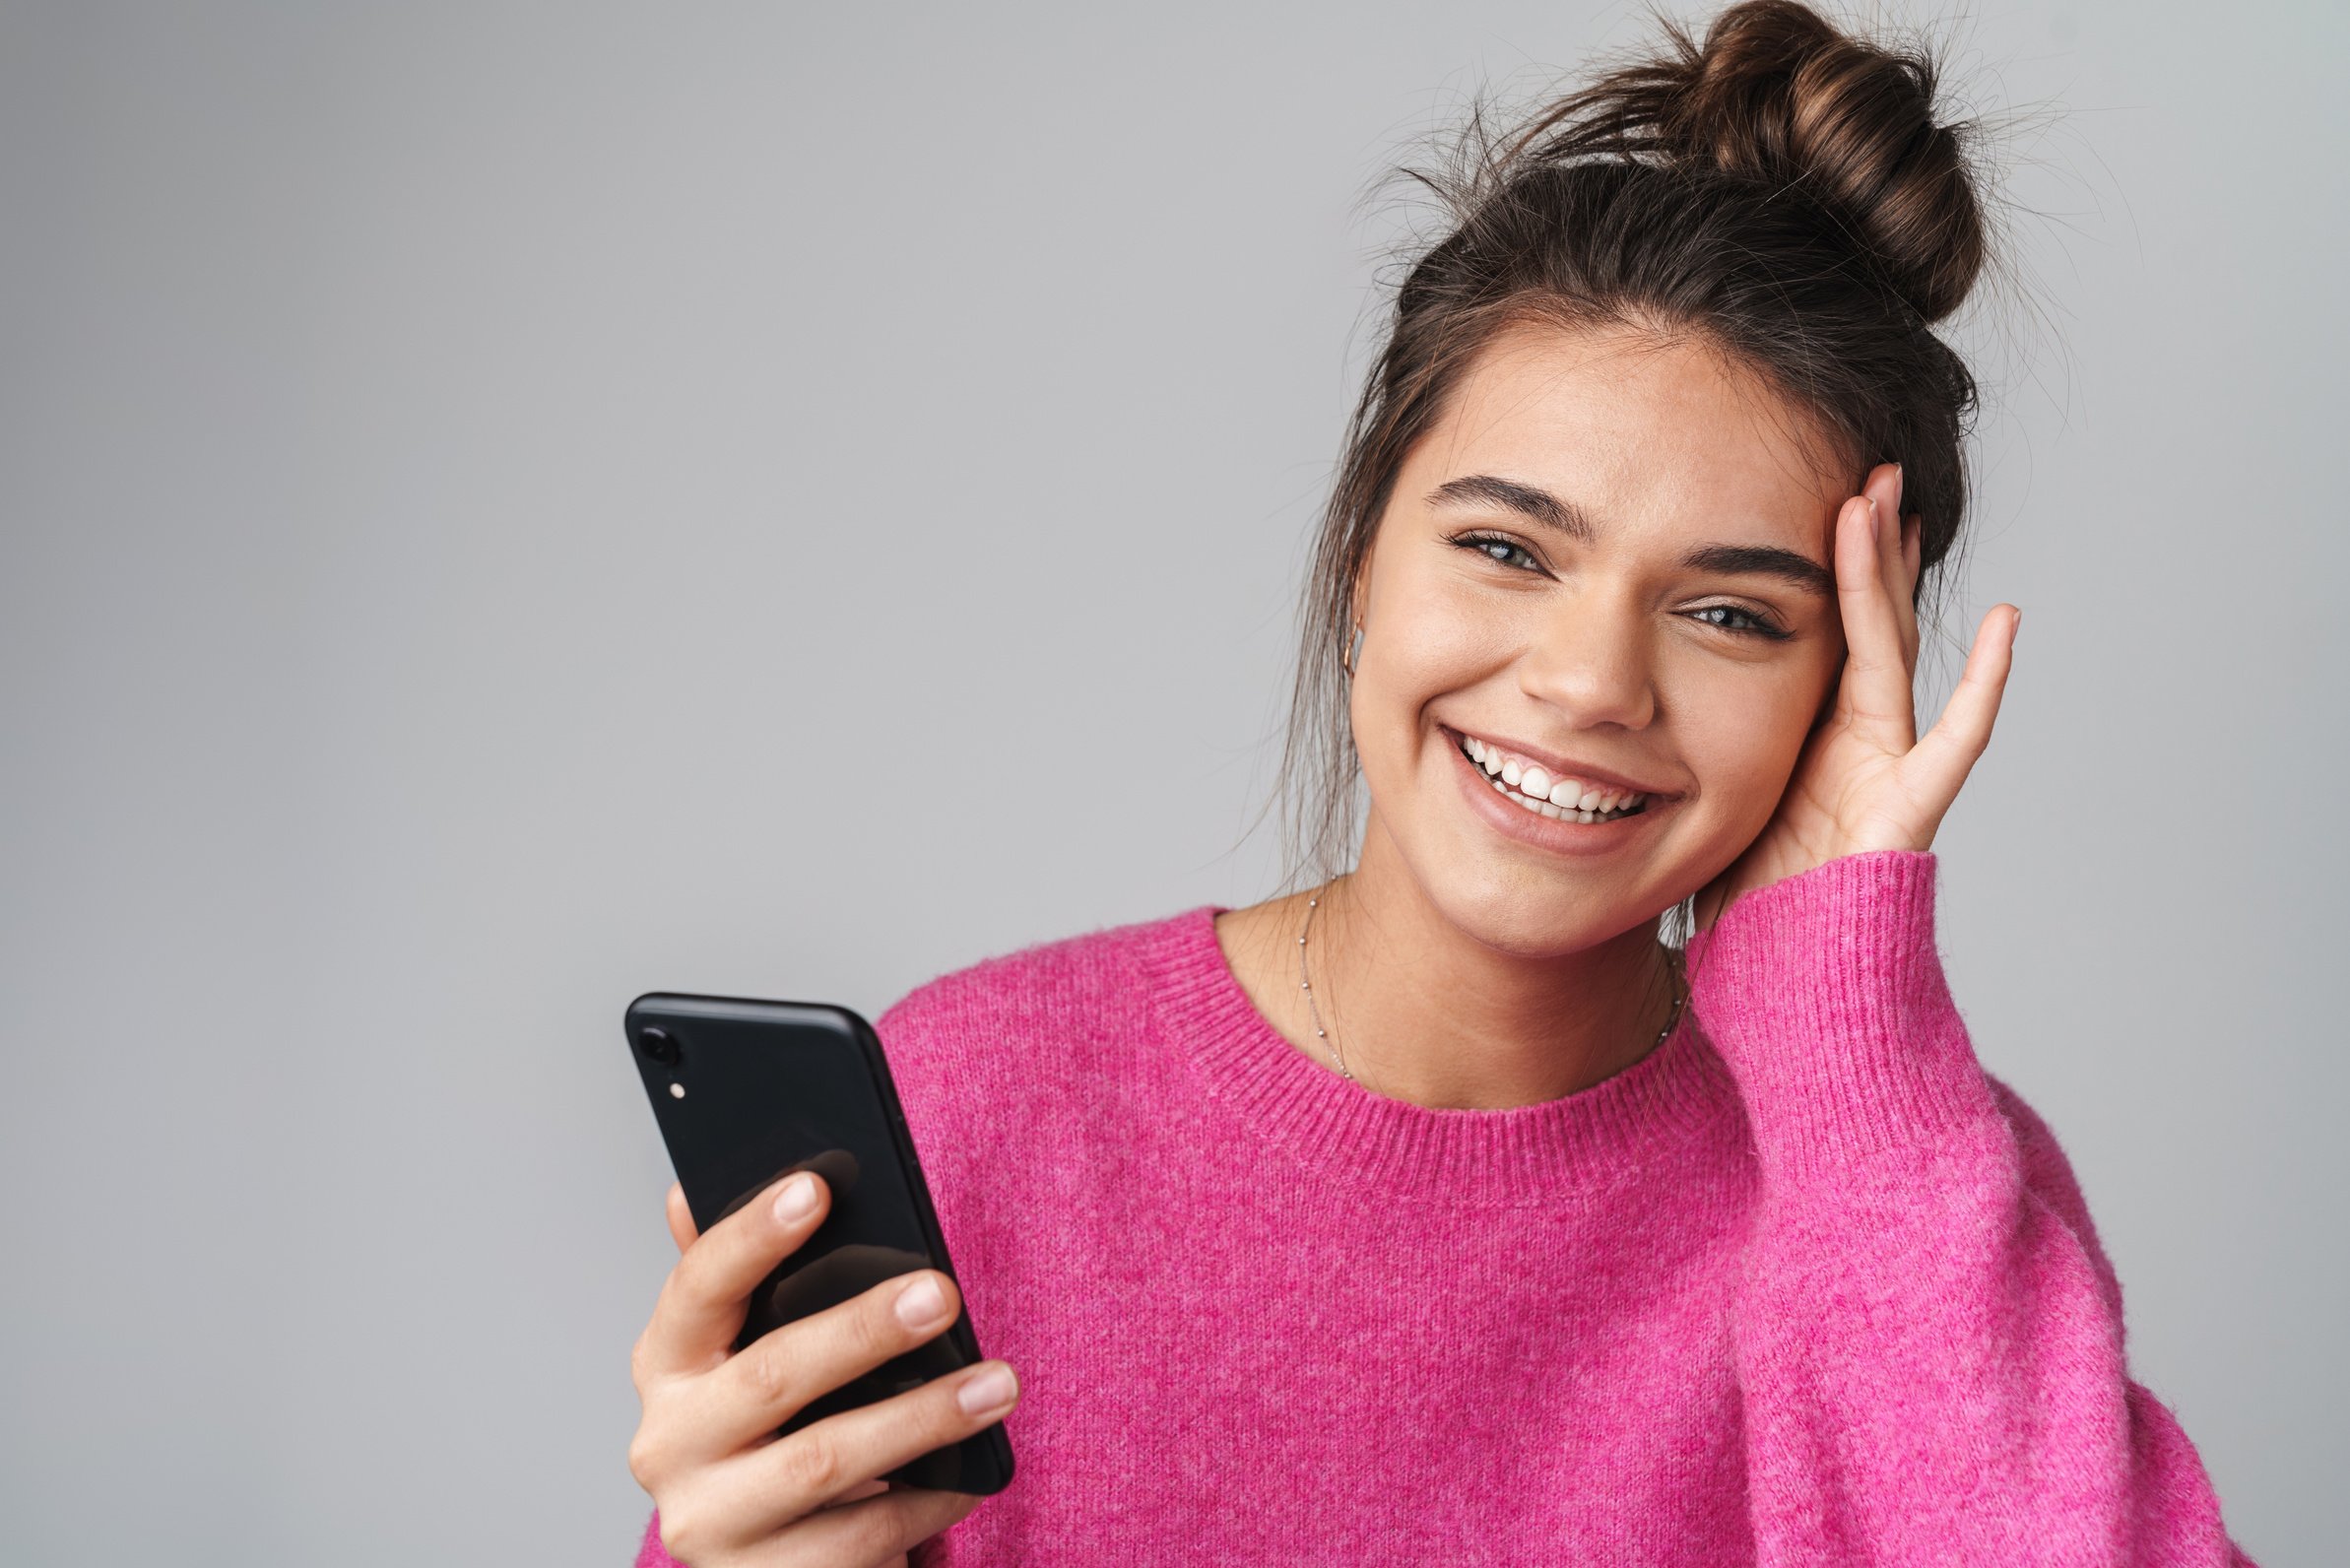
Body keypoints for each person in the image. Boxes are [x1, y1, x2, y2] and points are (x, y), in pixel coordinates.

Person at [621, 2, 2258, 1562]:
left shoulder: (1901, 1177)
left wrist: (1845, 1019)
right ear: (1358, 562)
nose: (1589, 684)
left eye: (1727, 614)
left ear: (1843, 691)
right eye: (1501, 548)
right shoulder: (980, 1107)